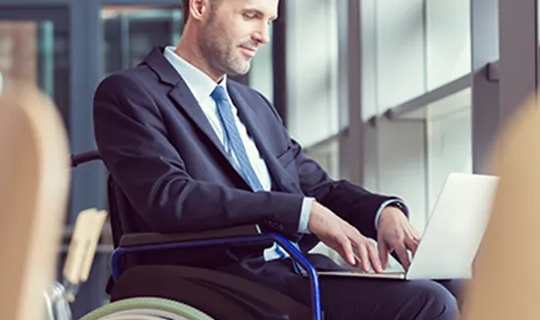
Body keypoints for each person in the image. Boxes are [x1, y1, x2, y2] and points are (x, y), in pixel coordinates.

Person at [93, 0, 460, 318]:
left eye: (269, 21)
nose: (263, 36)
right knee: (429, 303)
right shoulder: (129, 93)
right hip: (218, 275)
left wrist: (383, 213)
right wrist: (302, 212)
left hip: (292, 270)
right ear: (200, 6)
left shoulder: (254, 105)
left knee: (459, 287)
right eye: (251, 15)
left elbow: (317, 186)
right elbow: (170, 197)